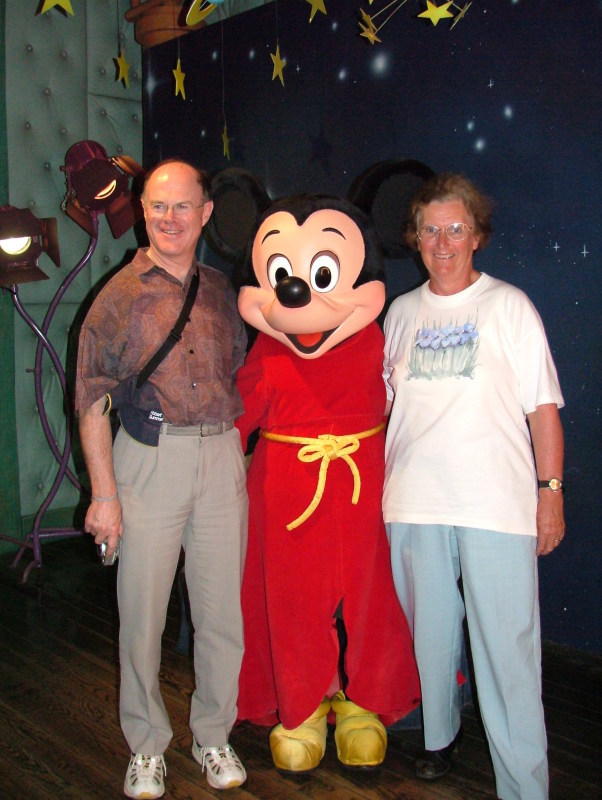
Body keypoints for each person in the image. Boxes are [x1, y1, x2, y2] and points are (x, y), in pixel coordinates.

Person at [382, 173, 565, 800]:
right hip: (412, 502)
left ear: (477, 235)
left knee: (508, 654)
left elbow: (543, 409)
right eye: (430, 229)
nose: (442, 242)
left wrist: (550, 491)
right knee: (430, 639)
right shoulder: (400, 314)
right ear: (415, 238)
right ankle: (439, 736)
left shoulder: (509, 306)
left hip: (496, 505)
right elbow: (382, 410)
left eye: (455, 229)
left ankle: (525, 785)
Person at [75, 158, 249, 798]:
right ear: (142, 211)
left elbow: (238, 371)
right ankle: (147, 746)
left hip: (221, 457)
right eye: (157, 205)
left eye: (182, 206)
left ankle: (213, 735)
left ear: (206, 212)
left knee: (221, 614)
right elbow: (90, 399)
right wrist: (104, 494)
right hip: (148, 460)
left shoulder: (223, 291)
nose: (170, 218)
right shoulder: (118, 295)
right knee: (142, 617)